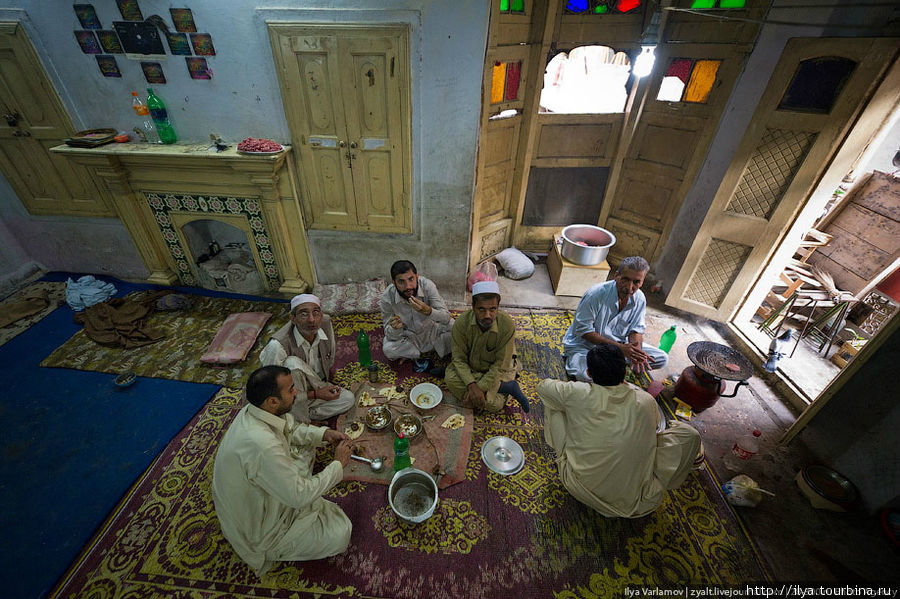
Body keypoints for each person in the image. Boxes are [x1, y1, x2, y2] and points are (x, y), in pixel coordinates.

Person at [212, 365, 353, 576]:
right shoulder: (262, 445)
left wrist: (324, 434)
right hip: (261, 529)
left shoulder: (256, 410)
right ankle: (275, 549)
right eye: (291, 390)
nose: (296, 393)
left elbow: (292, 429)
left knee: (307, 448)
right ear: (272, 401)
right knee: (341, 532)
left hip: (268, 488)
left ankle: (303, 501)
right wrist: (337, 465)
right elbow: (299, 496)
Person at [538, 343, 701, 518]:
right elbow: (655, 428)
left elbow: (542, 386)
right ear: (625, 372)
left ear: (589, 374)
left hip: (581, 488)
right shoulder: (645, 400)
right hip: (639, 502)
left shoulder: (576, 392)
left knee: (555, 405)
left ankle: (567, 459)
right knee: (689, 434)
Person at [562, 256, 667, 381]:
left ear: (642, 281)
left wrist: (636, 351)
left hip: (620, 348)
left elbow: (636, 330)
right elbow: (584, 331)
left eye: (636, 282)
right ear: (616, 275)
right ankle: (611, 367)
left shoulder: (639, 298)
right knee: (587, 376)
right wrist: (620, 348)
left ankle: (612, 365)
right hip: (587, 347)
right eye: (625, 279)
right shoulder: (595, 295)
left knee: (661, 359)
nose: (629, 287)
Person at [259, 294, 354, 422]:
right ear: (292, 318)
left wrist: (317, 390)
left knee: (348, 399)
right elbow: (271, 390)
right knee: (292, 363)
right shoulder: (278, 346)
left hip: (315, 384)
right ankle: (300, 422)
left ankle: (301, 416)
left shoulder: (325, 323)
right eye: (304, 314)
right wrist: (314, 394)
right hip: (288, 395)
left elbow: (329, 358)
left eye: (316, 313)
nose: (312, 320)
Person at [445, 281, 530, 413]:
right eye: (481, 309)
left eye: (492, 309)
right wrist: (473, 386)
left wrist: (476, 388)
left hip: (498, 370)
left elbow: (499, 365)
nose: (487, 316)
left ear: (498, 307)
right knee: (450, 379)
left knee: (493, 406)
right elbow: (459, 359)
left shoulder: (507, 325)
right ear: (473, 306)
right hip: (471, 366)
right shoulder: (461, 323)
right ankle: (504, 388)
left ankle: (507, 386)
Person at [380, 260, 453, 372]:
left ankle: (414, 355)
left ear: (417, 277)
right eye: (401, 282)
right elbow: (389, 334)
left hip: (432, 331)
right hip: (409, 338)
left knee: (458, 328)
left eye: (411, 279)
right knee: (388, 349)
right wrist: (396, 329)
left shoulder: (428, 286)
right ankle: (427, 353)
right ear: (394, 283)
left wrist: (428, 311)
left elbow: (446, 317)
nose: (408, 286)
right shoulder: (387, 298)